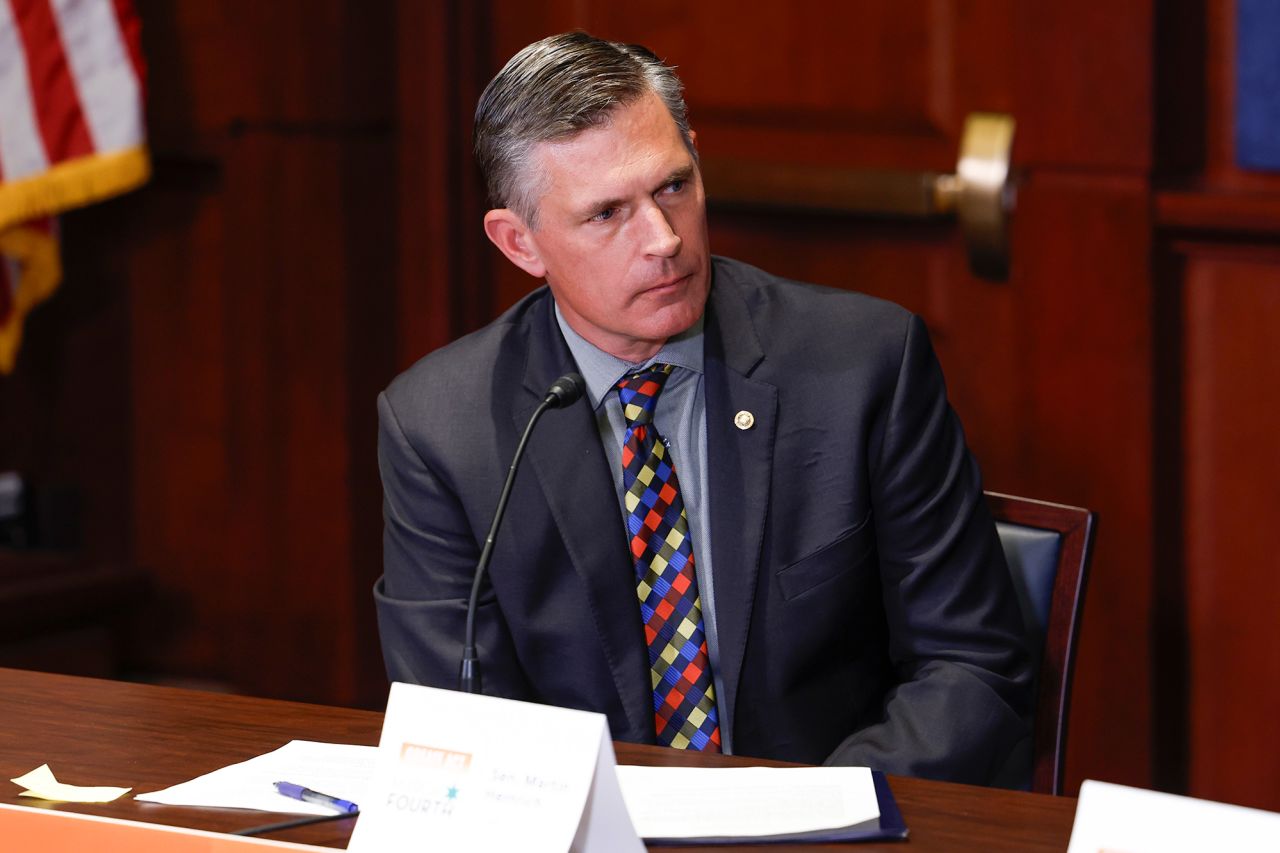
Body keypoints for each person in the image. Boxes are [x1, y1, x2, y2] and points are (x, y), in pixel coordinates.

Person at [374, 31, 1032, 785]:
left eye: (673, 187)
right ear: (520, 242)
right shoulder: (441, 426)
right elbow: (460, 725)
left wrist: (806, 816)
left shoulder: (863, 365)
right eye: (607, 214)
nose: (663, 238)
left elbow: (973, 666)